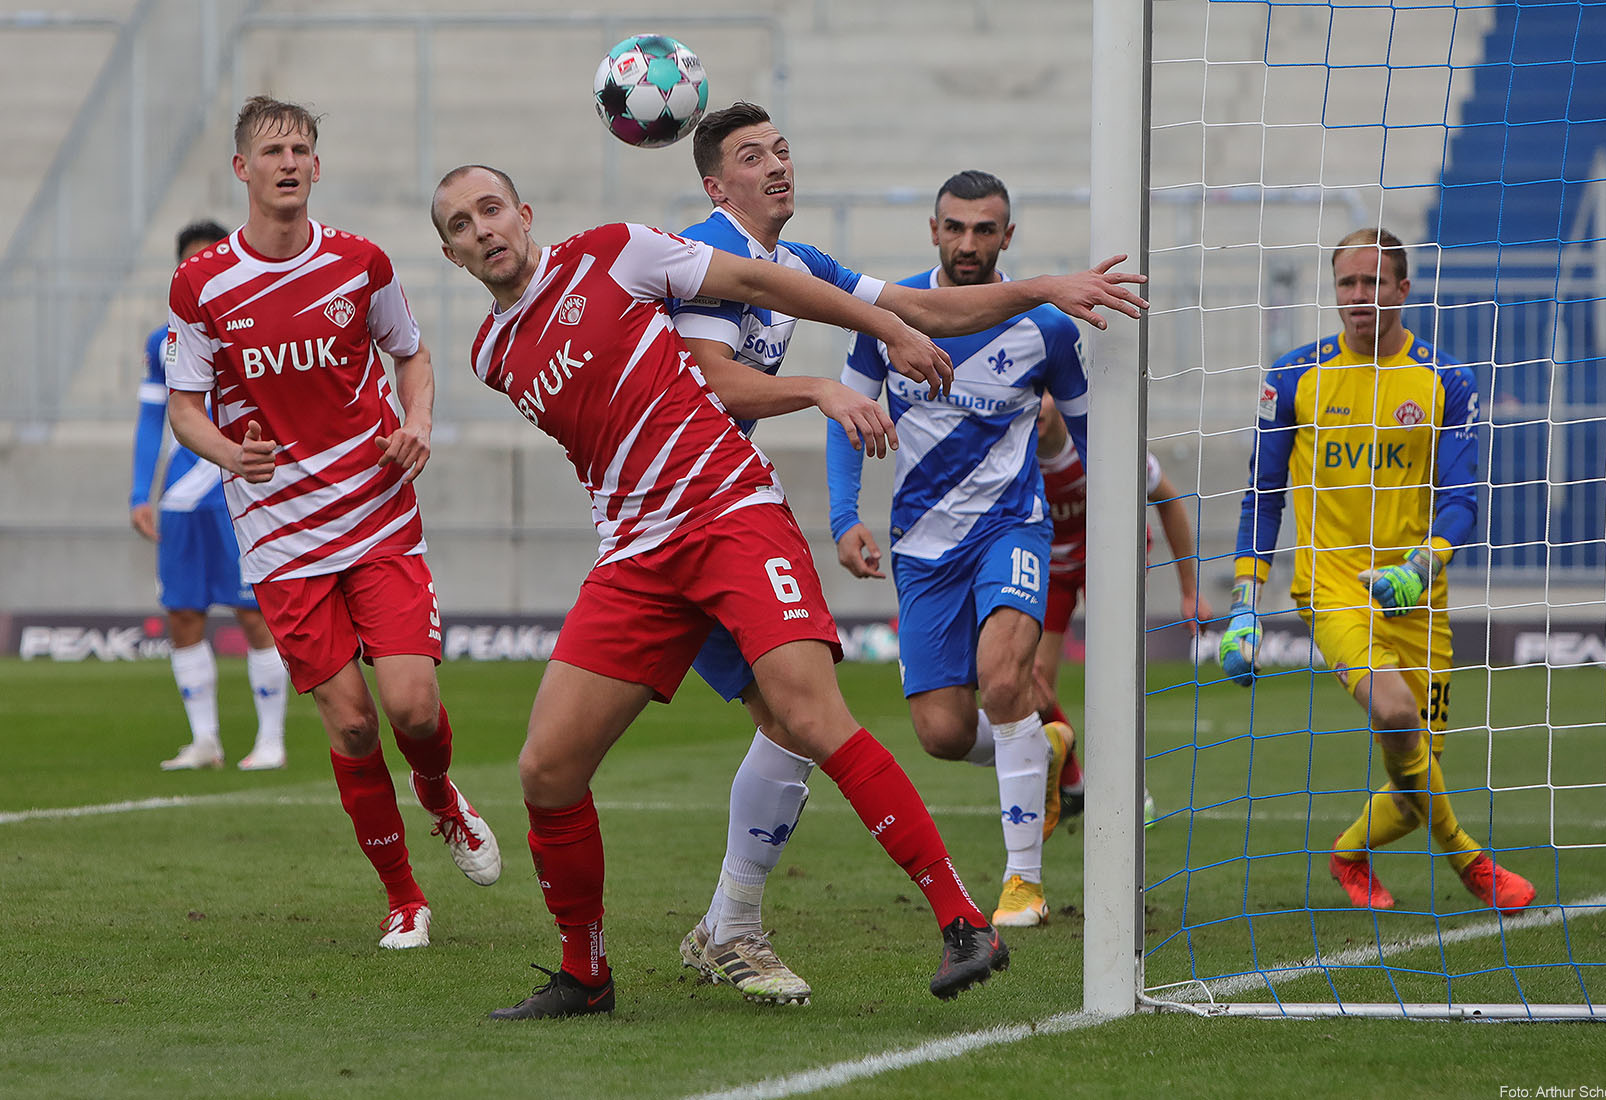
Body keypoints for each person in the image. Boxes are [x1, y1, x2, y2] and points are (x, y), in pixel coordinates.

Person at [425, 162, 1132, 1019]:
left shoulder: (617, 251)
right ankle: (589, 973)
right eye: (462, 225)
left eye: (491, 209)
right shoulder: (491, 353)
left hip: (730, 515)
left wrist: (881, 336)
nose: (483, 230)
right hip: (636, 555)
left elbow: (764, 284)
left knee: (810, 719)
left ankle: (962, 921)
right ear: (453, 253)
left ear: (525, 213)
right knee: (546, 770)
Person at [669, 105, 1148, 1005]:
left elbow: (922, 311)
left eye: (782, 148)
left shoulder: (804, 265)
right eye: (751, 156)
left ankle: (1006, 883)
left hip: (993, 525)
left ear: (1005, 233)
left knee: (843, 707)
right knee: (928, 731)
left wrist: (1046, 288)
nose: (778, 165)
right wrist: (836, 470)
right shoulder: (698, 259)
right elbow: (719, 381)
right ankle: (599, 934)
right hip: (687, 528)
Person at [165, 97, 501, 951]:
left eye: (302, 149)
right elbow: (185, 408)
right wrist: (224, 455)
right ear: (243, 169)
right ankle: (403, 897)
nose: (289, 161)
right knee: (353, 726)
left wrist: (417, 421)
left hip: (377, 511)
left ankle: (440, 797)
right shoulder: (201, 283)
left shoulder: (360, 263)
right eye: (273, 150)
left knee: (413, 708)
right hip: (280, 536)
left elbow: (413, 355)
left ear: (317, 167)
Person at [1219, 227, 1536, 915]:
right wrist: (1246, 602)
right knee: (1394, 714)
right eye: (1347, 284)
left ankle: (1349, 853)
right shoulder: (1294, 376)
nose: (1359, 296)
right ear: (1334, 290)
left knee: (1417, 775)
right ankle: (1472, 863)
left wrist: (1421, 569)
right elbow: (1262, 496)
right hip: (1331, 589)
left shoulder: (1446, 380)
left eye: (1373, 283)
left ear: (1402, 289)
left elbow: (1459, 500)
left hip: (1418, 598)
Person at [131, 220, 289, 772]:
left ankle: (271, 741)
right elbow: (154, 420)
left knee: (252, 614)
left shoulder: (253, 330)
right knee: (183, 614)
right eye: (190, 264)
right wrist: (139, 493)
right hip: (179, 501)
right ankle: (206, 742)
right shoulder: (164, 341)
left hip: (234, 492)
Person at [1031, 392, 1215, 827]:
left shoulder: (1102, 438)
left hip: (1107, 556)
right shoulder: (1009, 445)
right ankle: (1073, 784)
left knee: (1112, 677)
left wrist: (1189, 591)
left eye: (1045, 392)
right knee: (1029, 685)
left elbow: (1169, 501)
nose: (1036, 404)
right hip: (1047, 564)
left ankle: (1133, 790)